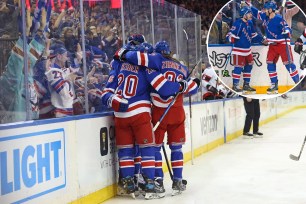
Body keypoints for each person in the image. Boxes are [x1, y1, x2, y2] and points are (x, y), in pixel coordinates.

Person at [101, 42, 187, 200]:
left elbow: (105, 93)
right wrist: (181, 85)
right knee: (147, 148)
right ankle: (149, 184)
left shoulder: (119, 65)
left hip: (120, 115)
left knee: (125, 150)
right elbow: (165, 89)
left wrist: (113, 99)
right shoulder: (147, 68)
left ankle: (127, 182)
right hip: (140, 113)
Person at [123, 40, 200, 196]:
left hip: (159, 113)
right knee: (177, 148)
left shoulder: (155, 62)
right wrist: (192, 84)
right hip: (177, 113)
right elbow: (192, 89)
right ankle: (178, 180)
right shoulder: (182, 67)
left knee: (155, 148)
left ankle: (158, 180)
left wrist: (124, 54)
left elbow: (136, 59)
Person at [251, 1, 300, 94]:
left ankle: (298, 83)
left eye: (265, 9)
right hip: (272, 45)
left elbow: (288, 30)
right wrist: (248, 4)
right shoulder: (265, 17)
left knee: (289, 66)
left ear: (270, 9)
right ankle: (274, 85)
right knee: (270, 64)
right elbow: (256, 12)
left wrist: (286, 31)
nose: (264, 10)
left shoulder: (279, 19)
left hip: (282, 45)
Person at [226, 6, 267, 95]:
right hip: (238, 51)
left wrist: (262, 40)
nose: (251, 14)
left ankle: (246, 84)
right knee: (238, 67)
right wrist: (232, 38)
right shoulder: (238, 23)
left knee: (249, 66)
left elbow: (254, 35)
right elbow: (229, 35)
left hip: (247, 50)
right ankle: (235, 85)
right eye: (249, 13)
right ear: (244, 15)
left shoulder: (250, 23)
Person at [45, 47, 75, 117]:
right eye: (66, 56)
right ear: (59, 56)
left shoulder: (64, 70)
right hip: (60, 111)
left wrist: (87, 79)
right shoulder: (53, 72)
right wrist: (69, 78)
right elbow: (63, 92)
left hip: (68, 109)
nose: (67, 58)